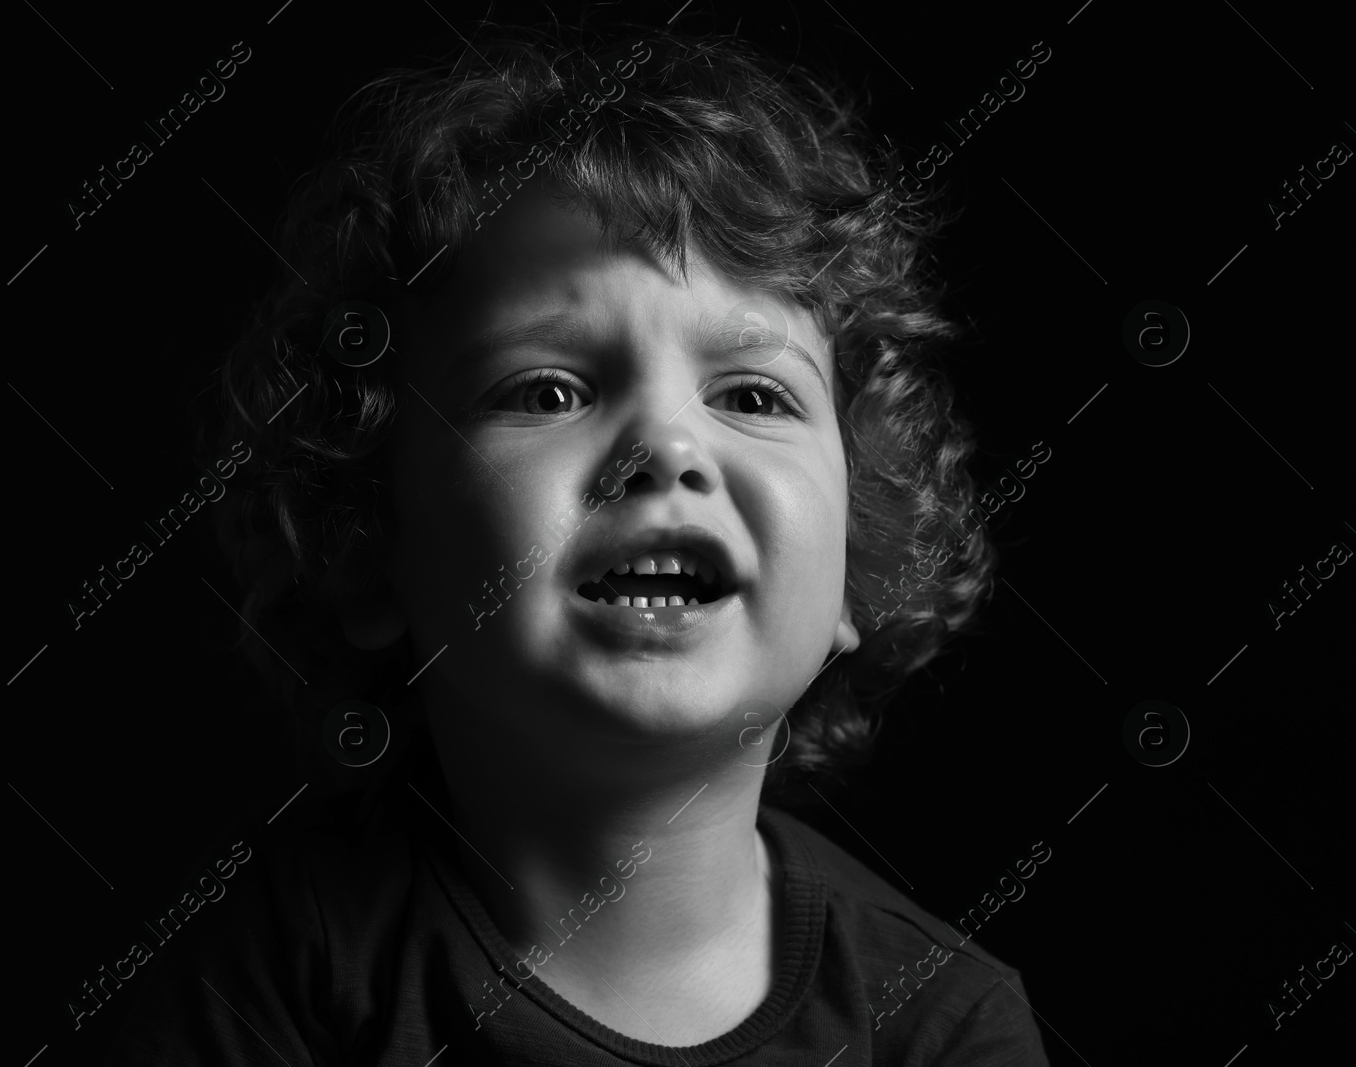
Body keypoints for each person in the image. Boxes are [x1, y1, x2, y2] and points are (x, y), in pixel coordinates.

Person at [102, 18, 1050, 1065]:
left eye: (752, 392)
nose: (665, 444)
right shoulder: (274, 973)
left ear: (855, 575)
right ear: (365, 539)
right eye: (548, 389)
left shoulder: (935, 1024)